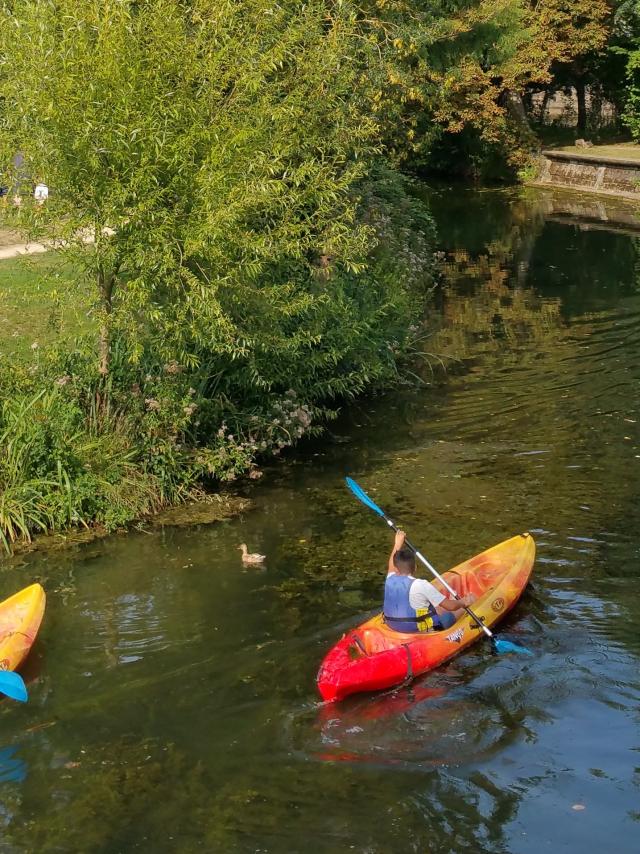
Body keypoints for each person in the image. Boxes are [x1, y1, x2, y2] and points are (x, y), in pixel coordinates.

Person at [383, 530, 476, 633]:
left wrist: (397, 544)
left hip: (393, 625)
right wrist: (464, 601)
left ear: (396, 568)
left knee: (437, 608)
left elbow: (391, 565)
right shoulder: (421, 585)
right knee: (461, 608)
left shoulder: (390, 578)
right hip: (418, 630)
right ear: (415, 568)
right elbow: (451, 606)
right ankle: (471, 604)